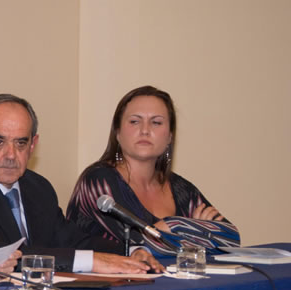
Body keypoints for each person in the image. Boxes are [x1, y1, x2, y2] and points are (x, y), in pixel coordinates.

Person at [0, 93, 162, 274]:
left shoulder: (37, 188)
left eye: (20, 143)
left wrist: (131, 251)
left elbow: (72, 239)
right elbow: (6, 258)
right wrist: (93, 262)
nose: (10, 155)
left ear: (33, 145)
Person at [66, 85, 237, 254]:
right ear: (117, 133)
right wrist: (195, 229)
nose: (145, 130)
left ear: (169, 136)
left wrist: (172, 225)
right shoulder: (98, 180)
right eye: (134, 121)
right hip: (112, 281)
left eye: (156, 122)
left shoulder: (181, 188)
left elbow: (230, 239)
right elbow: (140, 245)